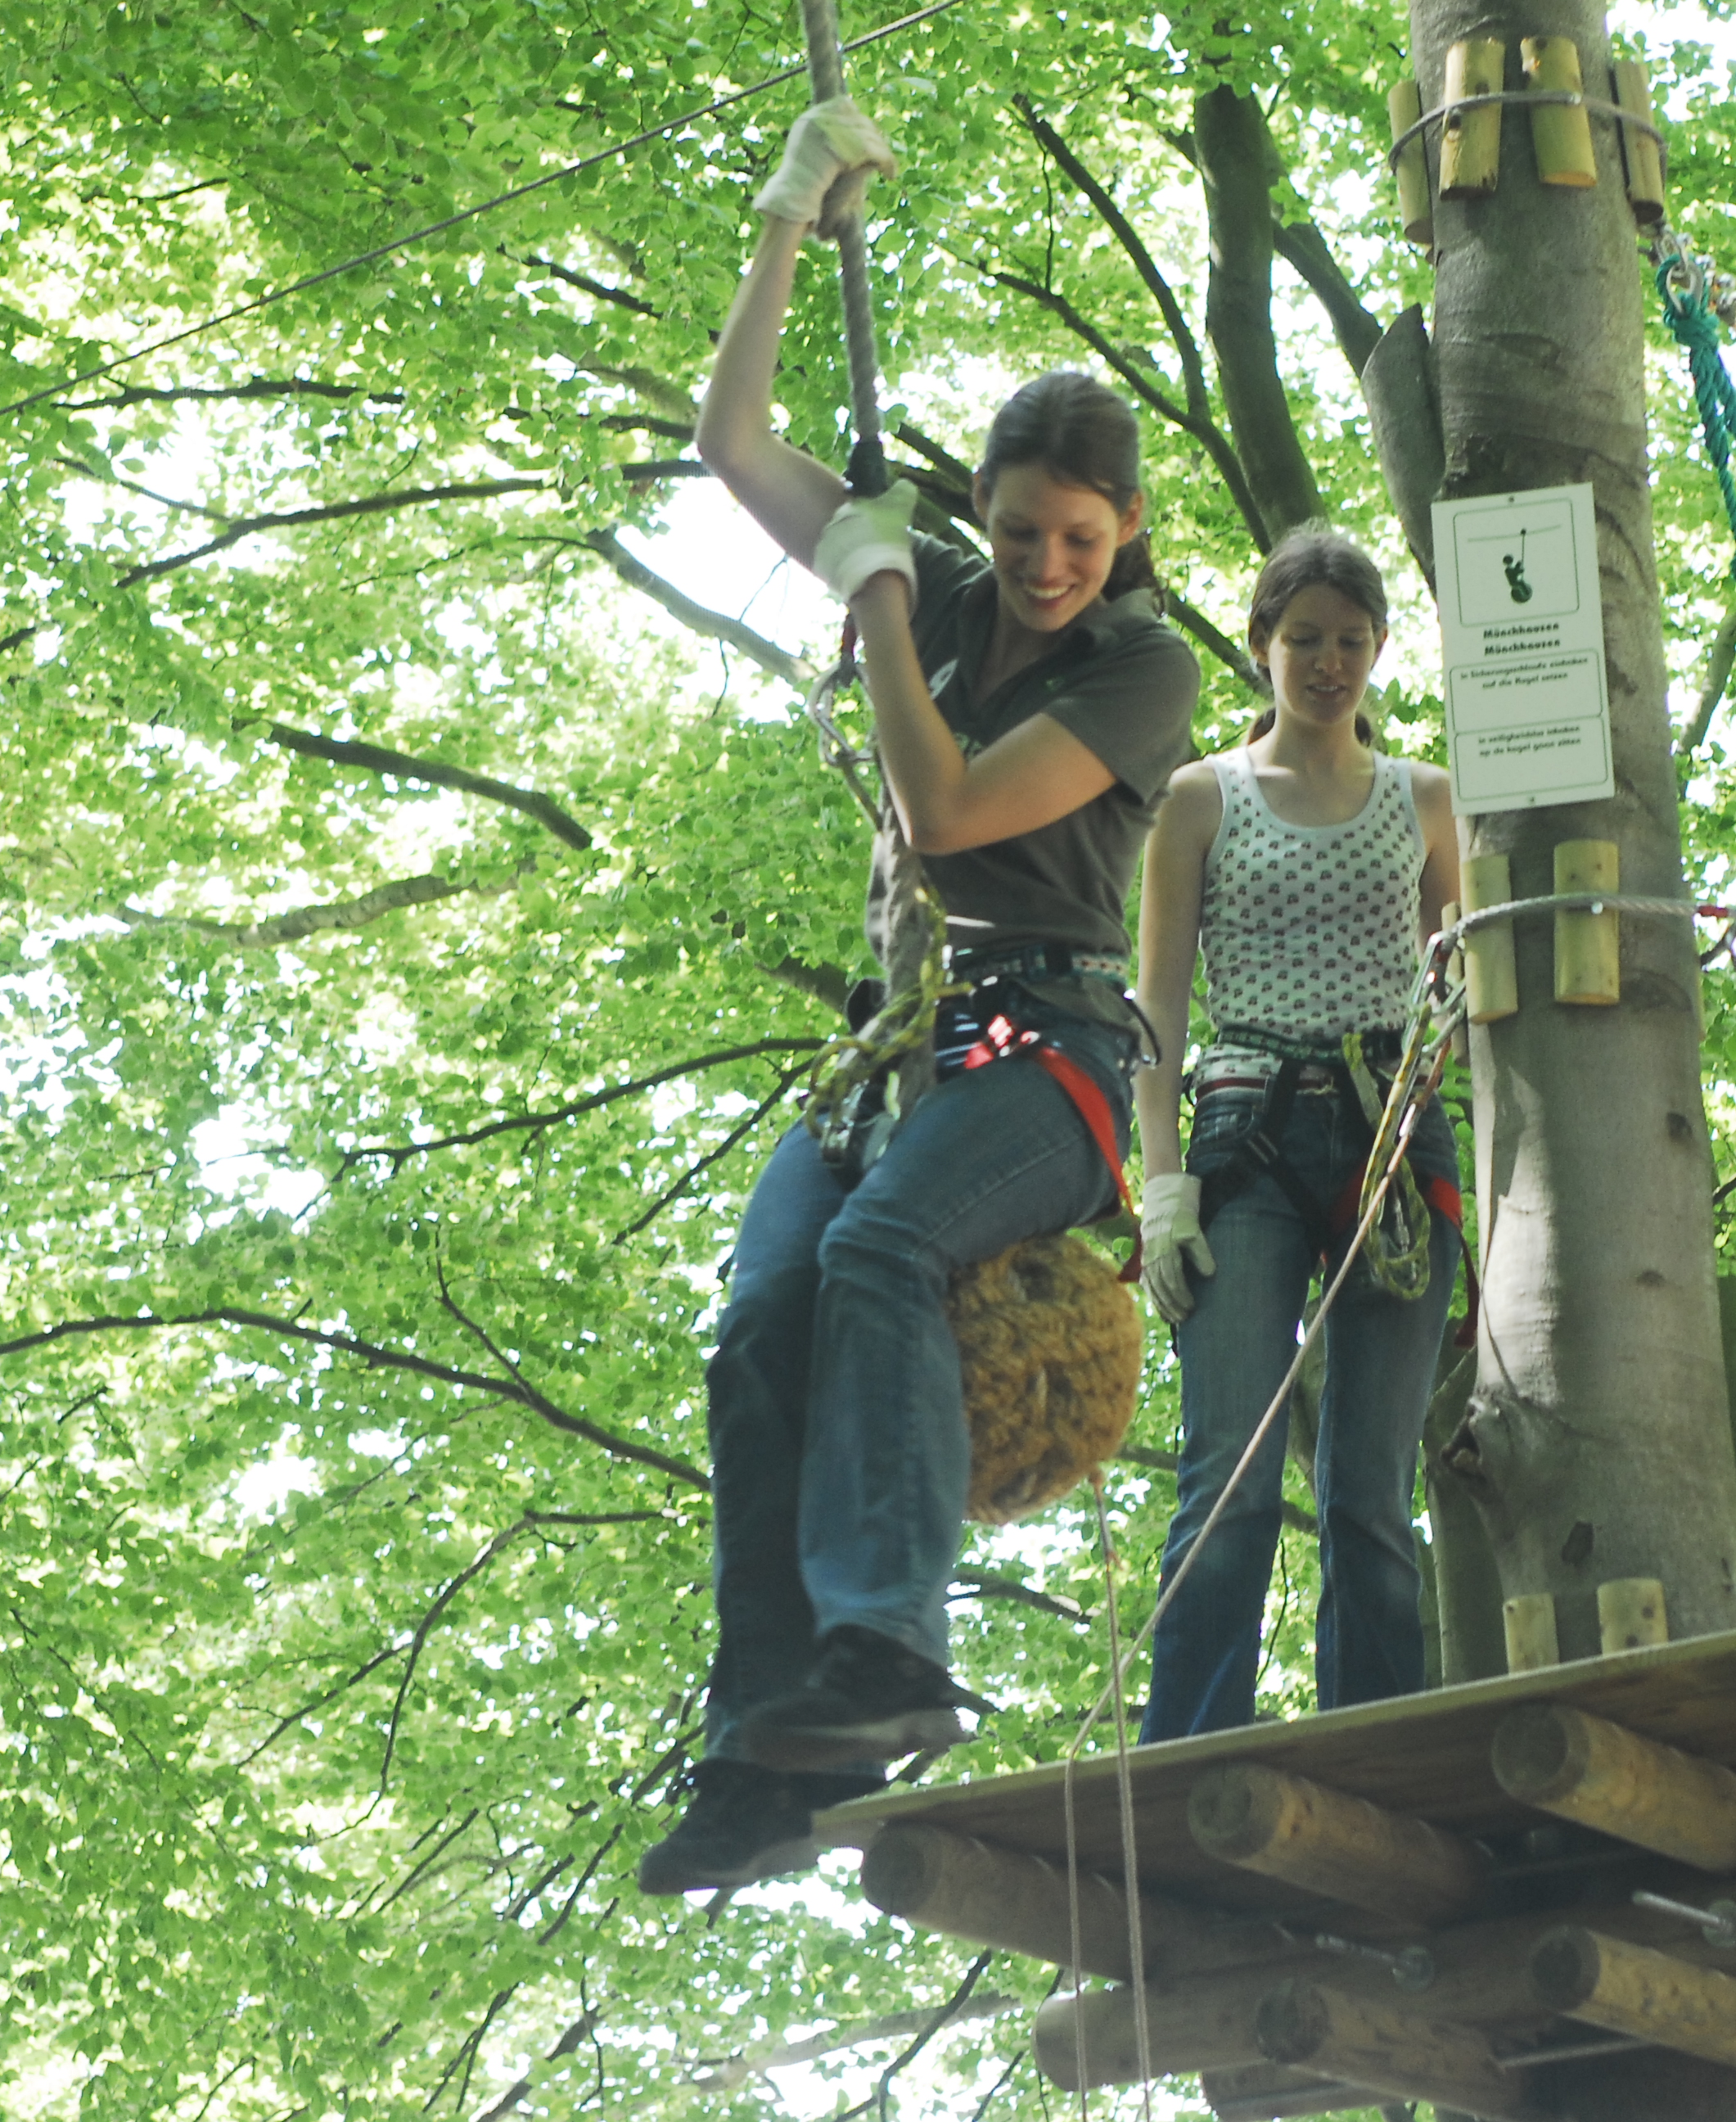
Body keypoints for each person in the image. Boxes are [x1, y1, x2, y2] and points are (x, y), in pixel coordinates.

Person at [638, 98, 1199, 1895]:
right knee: (761, 1319)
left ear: (1121, 541)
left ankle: (887, 1644)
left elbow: (948, 818)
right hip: (899, 1053)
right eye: (1021, 534)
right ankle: (765, 1748)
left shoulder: (1141, 667)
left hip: (1052, 1054)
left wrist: (878, 599)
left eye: (1079, 544)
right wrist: (788, 213)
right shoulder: (942, 578)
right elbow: (727, 440)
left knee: (882, 1254)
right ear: (986, 508)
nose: (1044, 569)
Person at [1131, 529, 1463, 1741]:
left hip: (1396, 1138)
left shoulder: (1427, 802)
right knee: (1229, 1478)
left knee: (1372, 1496)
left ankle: (1378, 1753)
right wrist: (1159, 1186)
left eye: (1351, 642)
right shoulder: (1200, 799)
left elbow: (1465, 997)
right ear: (1265, 643)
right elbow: (1156, 1007)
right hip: (1244, 1137)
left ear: (1379, 649)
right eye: (1305, 640)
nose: (1328, 664)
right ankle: (1186, 1750)